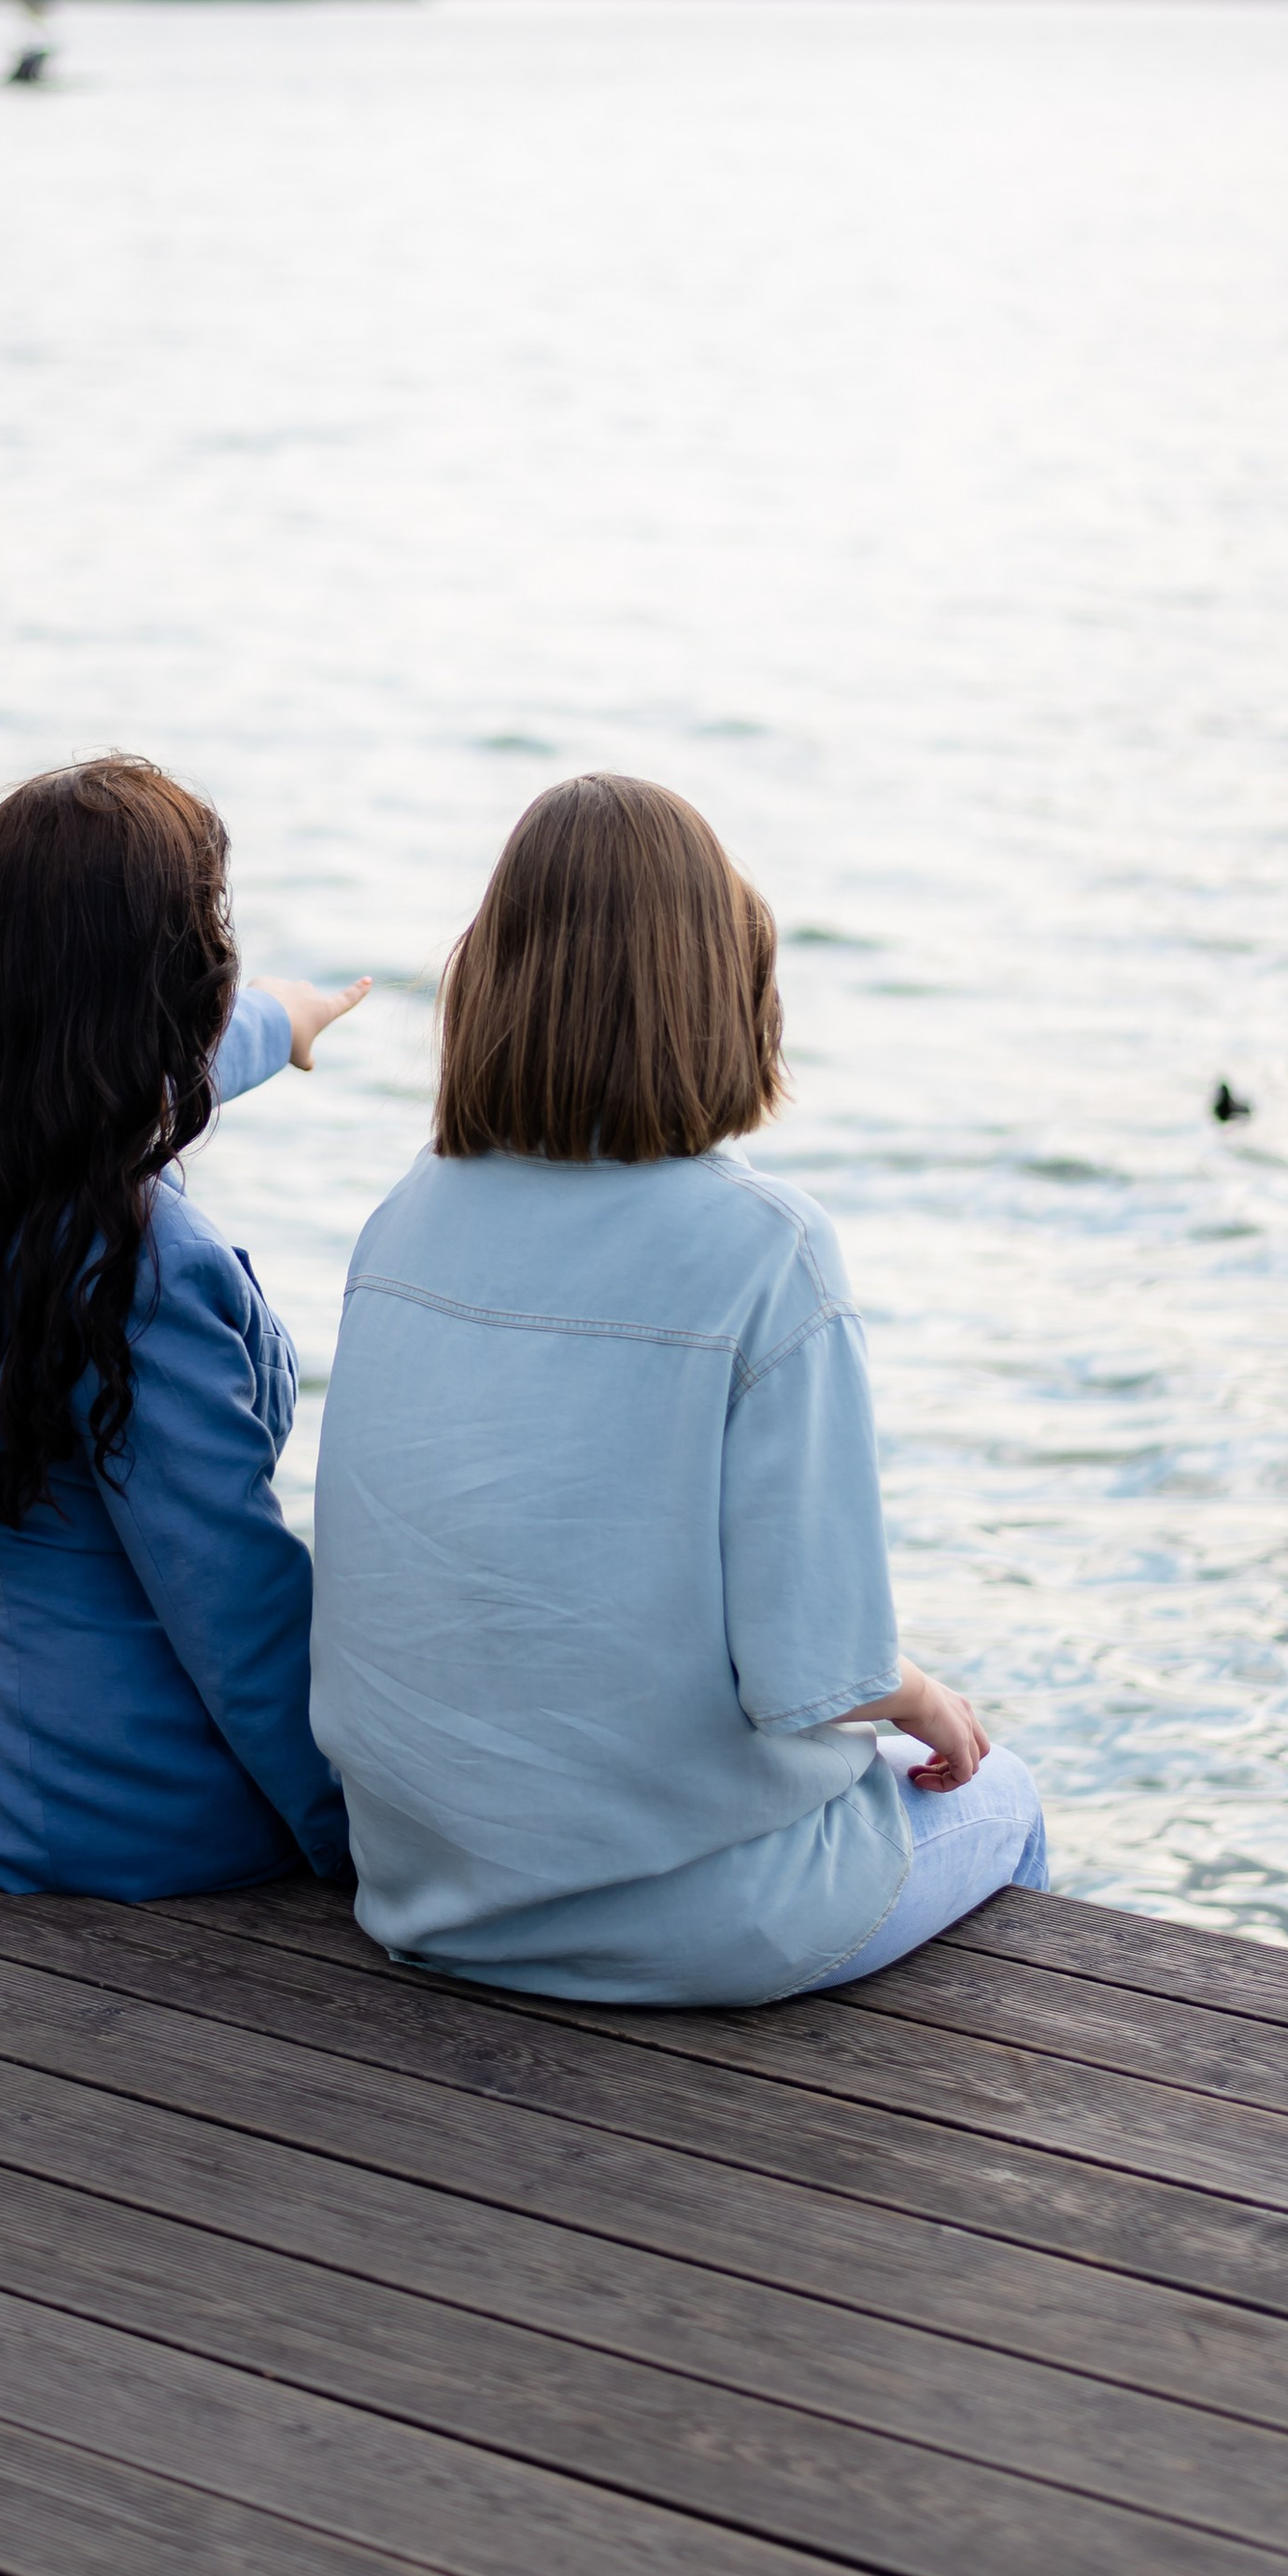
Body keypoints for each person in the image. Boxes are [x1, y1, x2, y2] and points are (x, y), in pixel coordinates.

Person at [309, 773, 1046, 2004]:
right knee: (1003, 1800)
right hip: (702, 1921)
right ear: (719, 989)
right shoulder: (769, 1252)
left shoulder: (401, 1220)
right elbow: (822, 1667)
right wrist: (931, 1701)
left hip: (428, 1892)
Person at [0, 755, 365, 1898]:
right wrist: (358, 1839)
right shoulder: (152, 1272)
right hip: (99, 1809)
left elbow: (130, 1083)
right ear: (168, 985)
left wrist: (284, 1021)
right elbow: (232, 1605)